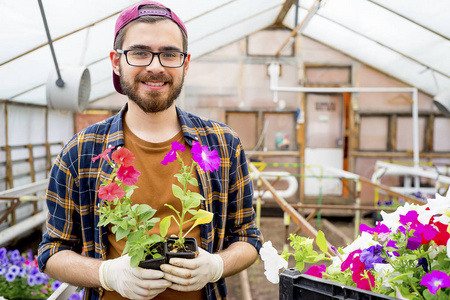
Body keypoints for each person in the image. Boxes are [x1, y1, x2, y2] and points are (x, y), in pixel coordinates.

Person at [37, 1, 263, 300]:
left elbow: (247, 238)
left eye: (169, 54)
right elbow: (52, 251)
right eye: (140, 52)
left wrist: (217, 265)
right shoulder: (81, 150)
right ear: (116, 62)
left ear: (185, 63)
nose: (155, 66)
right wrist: (106, 274)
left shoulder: (223, 144)